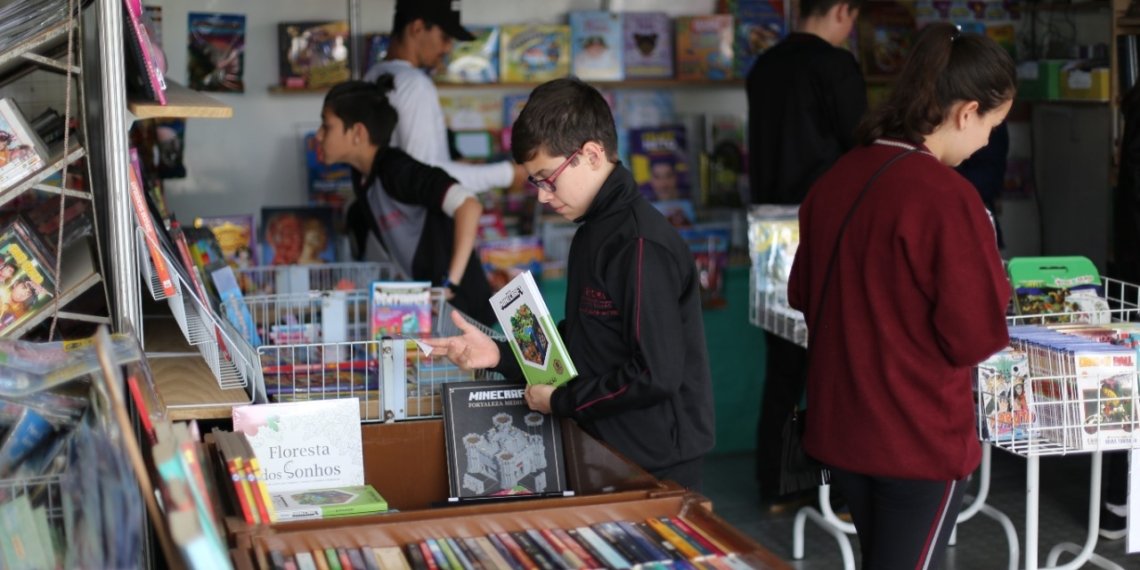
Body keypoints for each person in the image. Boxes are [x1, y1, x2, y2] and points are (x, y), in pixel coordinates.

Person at [787, 23, 1014, 569]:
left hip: (843, 429)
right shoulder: (948, 198)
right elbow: (974, 337)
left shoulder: (838, 176)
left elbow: (801, 291)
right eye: (993, 125)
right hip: (914, 439)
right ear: (967, 113)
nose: (988, 142)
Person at [423, 78, 716, 490]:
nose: (543, 196)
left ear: (591, 155)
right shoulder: (591, 230)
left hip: (654, 461)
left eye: (548, 178)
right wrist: (499, 355)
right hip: (603, 445)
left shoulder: (639, 244)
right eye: (535, 182)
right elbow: (583, 343)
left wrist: (562, 400)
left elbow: (655, 373)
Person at [745, 0, 866, 511]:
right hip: (823, 227)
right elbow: (863, 148)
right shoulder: (836, 66)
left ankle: (776, 487)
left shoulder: (764, 66)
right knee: (836, 362)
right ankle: (839, 493)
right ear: (841, 10)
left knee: (783, 367)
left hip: (768, 233)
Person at [319, 77, 495, 327]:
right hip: (429, 310)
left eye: (326, 126)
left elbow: (469, 205)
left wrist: (450, 283)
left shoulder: (397, 169)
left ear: (358, 133)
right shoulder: (363, 178)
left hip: (463, 309)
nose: (319, 135)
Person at [363, 0, 526, 193]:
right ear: (417, 28)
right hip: (412, 211)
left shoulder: (372, 75)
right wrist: (507, 173)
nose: (448, 48)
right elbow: (425, 175)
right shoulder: (414, 84)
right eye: (445, 37)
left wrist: (460, 166)